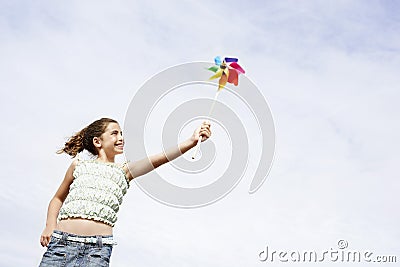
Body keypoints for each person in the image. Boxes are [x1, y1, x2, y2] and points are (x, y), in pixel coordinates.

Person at [39, 117, 211, 266]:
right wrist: (49, 226)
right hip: (61, 244)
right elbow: (57, 199)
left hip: (97, 251)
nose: (121, 137)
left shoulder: (125, 170)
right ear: (97, 141)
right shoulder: (78, 165)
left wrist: (191, 141)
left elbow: (161, 157)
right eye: (114, 133)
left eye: (121, 133)